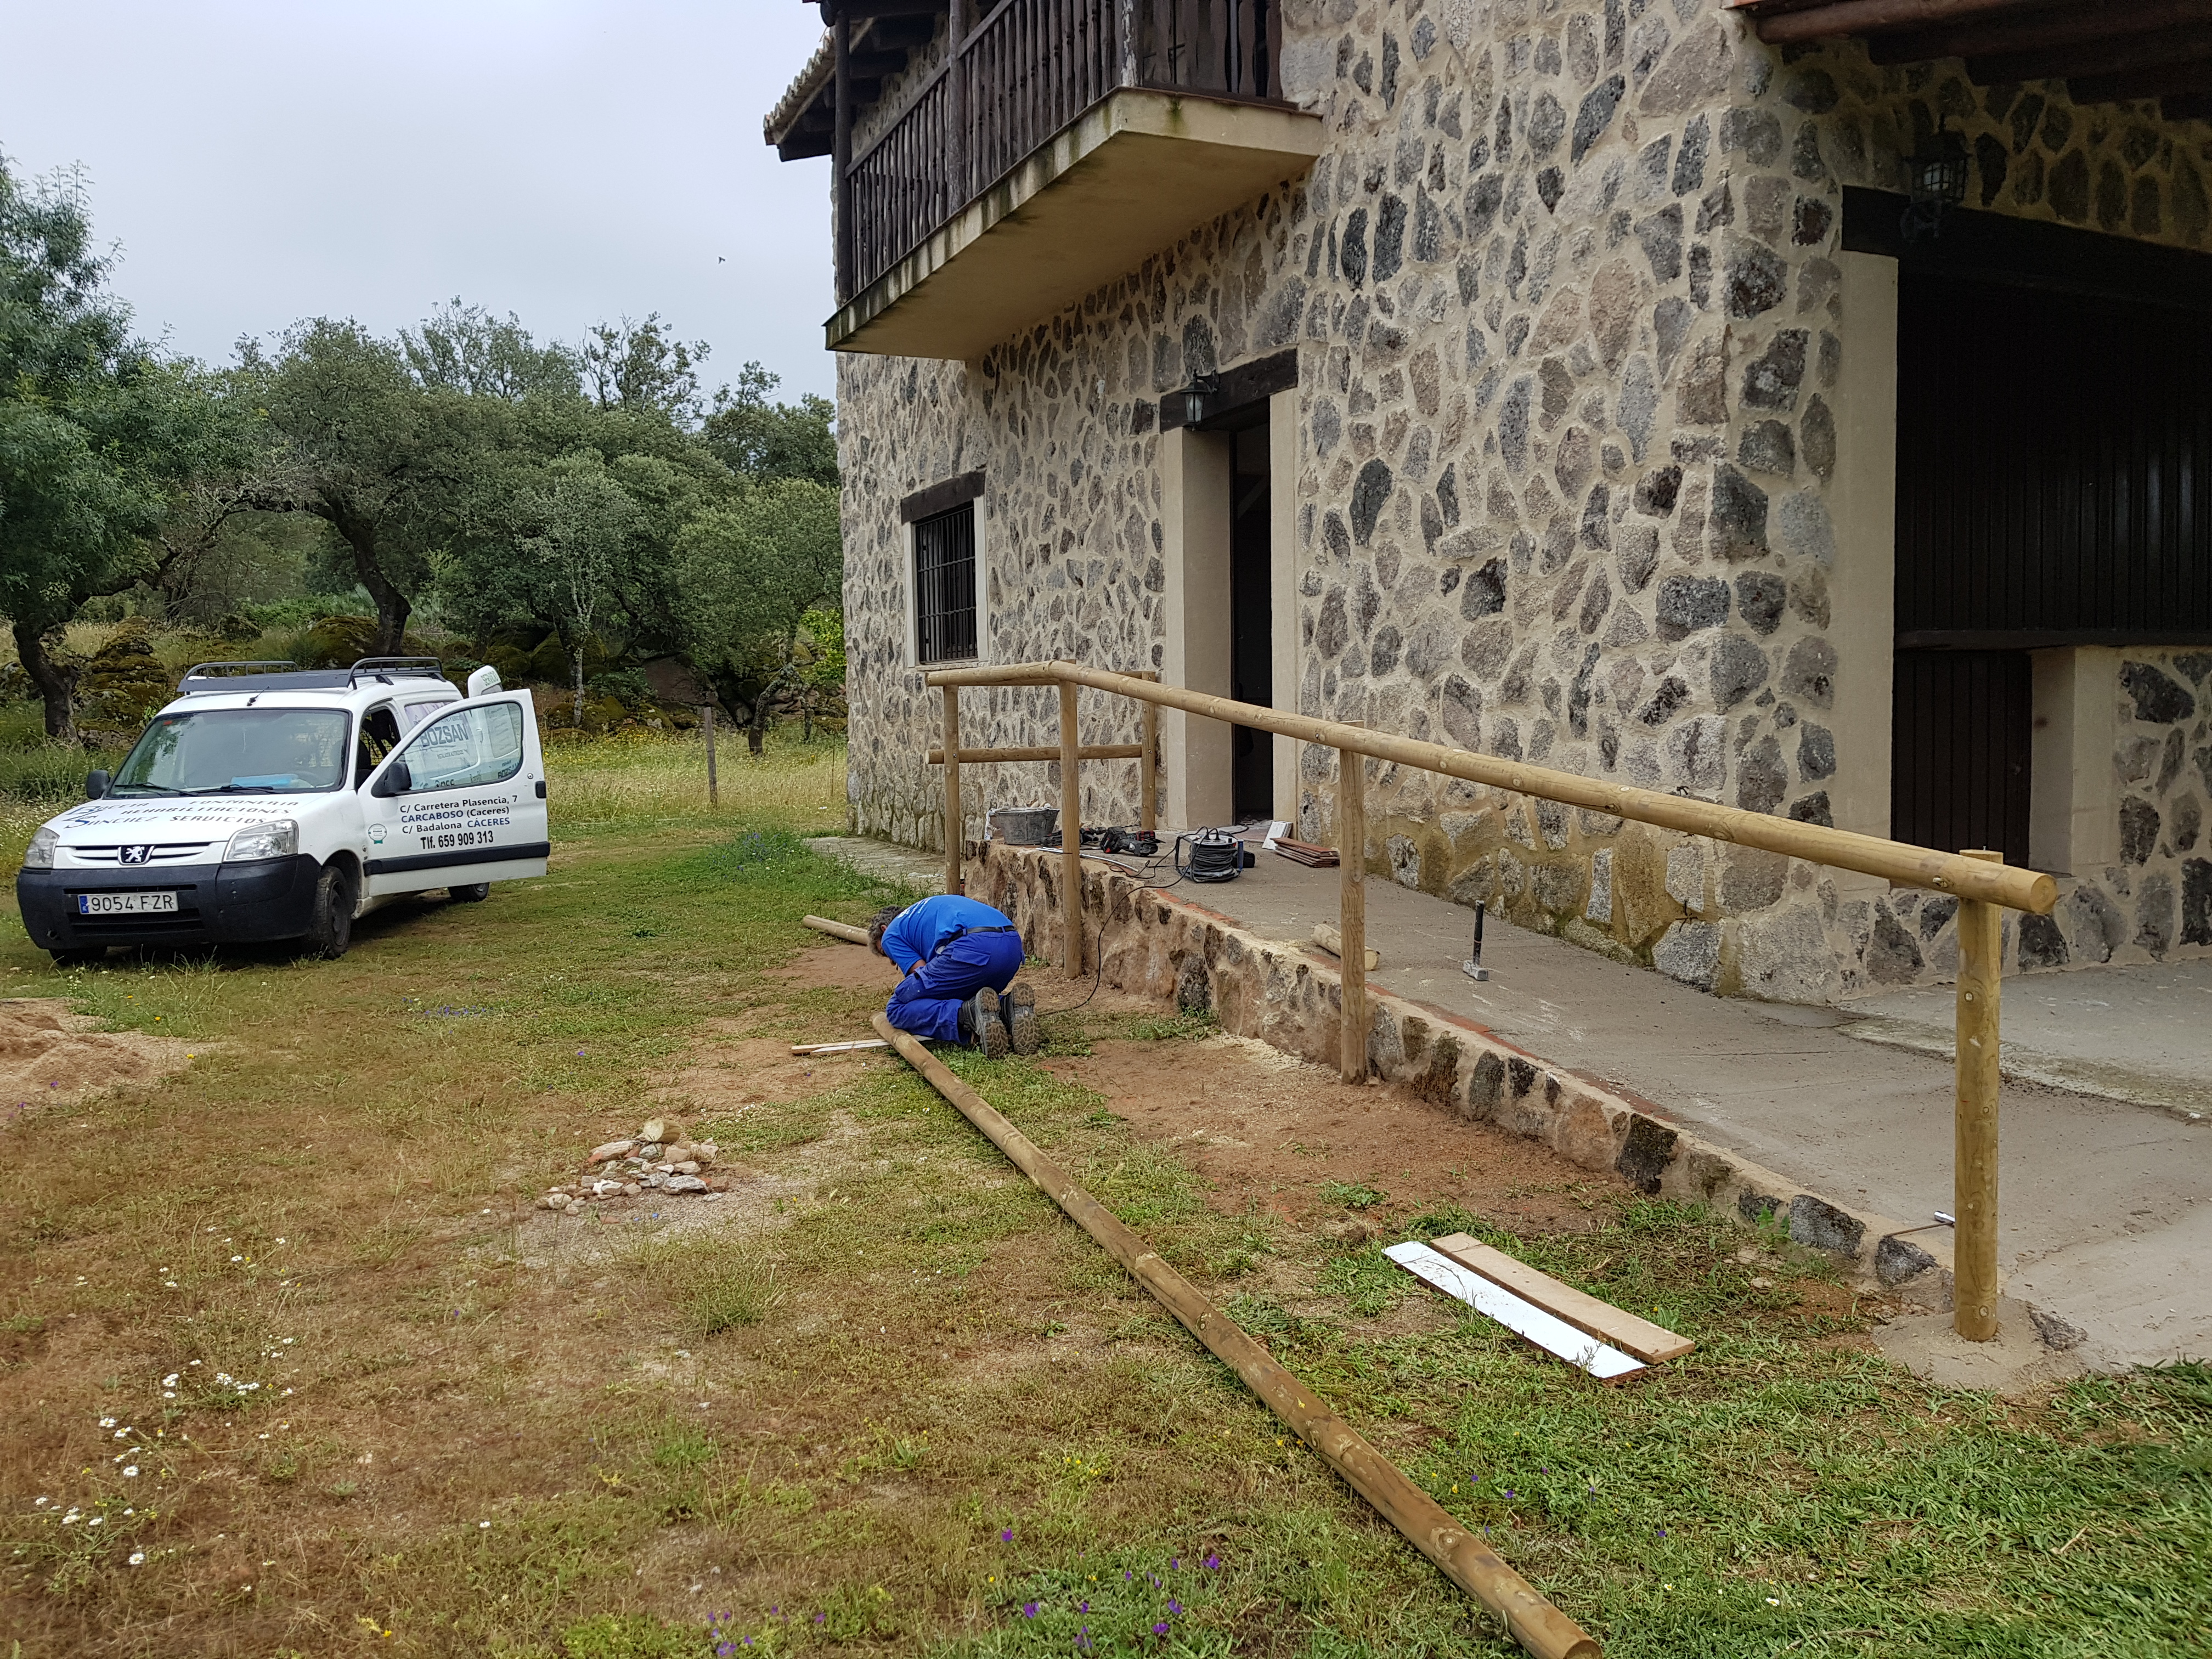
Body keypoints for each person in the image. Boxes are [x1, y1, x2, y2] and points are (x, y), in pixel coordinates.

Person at [870, 895, 1038, 1057]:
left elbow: (923, 977)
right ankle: (1009, 1007)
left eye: (887, 954)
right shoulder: (922, 913)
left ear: (884, 929)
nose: (894, 962)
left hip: (971, 948)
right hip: (1012, 947)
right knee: (962, 989)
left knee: (897, 1006)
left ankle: (966, 1016)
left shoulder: (890, 935)